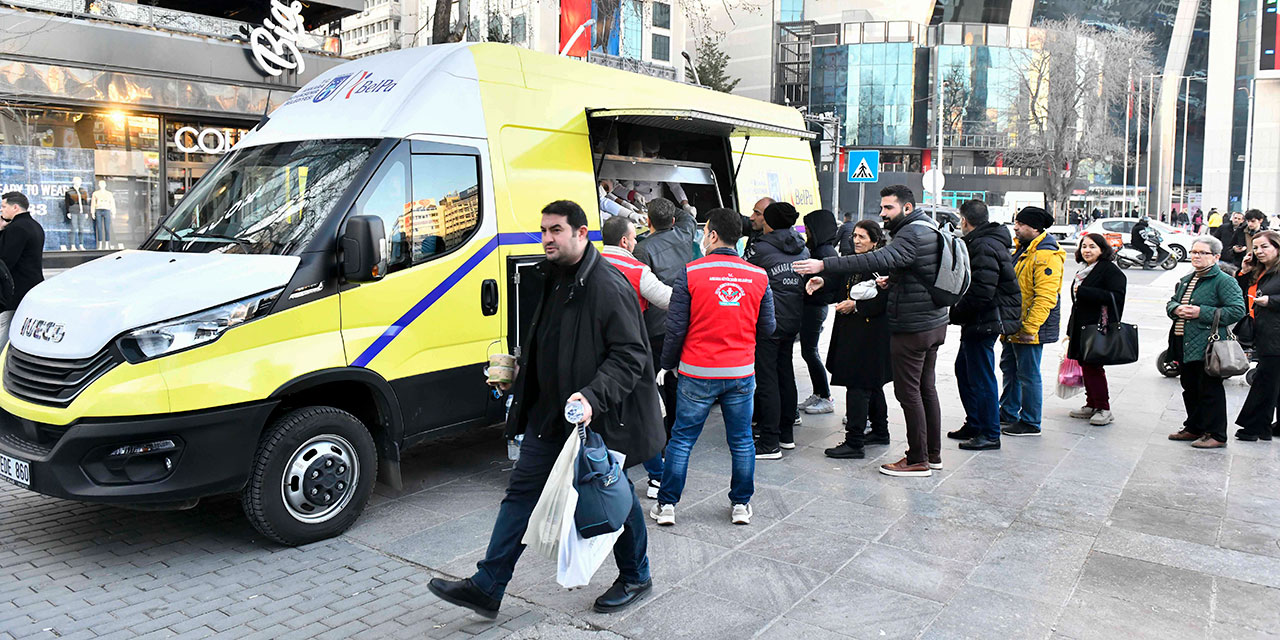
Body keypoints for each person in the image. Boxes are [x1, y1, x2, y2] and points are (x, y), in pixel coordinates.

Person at [427, 200, 665, 618]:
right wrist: (517, 373)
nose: (547, 239)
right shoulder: (553, 278)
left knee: (614, 497)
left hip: (596, 419)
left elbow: (631, 357)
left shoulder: (608, 286)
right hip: (548, 415)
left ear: (581, 233)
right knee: (521, 494)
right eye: (543, 230)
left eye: (556, 230)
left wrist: (592, 397)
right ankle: (488, 585)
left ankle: (636, 575)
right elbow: (553, 345)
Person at [792, 185, 949, 477]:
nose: (882, 213)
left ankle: (918, 459)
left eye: (888, 208)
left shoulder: (912, 233)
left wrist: (824, 264)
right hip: (932, 321)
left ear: (907, 207)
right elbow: (913, 270)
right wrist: (895, 282)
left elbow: (876, 260)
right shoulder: (929, 228)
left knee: (910, 393)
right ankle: (932, 453)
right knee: (925, 389)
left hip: (914, 326)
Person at [652, 208, 775, 526]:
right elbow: (769, 327)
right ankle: (740, 505)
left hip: (696, 372)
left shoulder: (691, 273)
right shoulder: (758, 276)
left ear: (713, 235)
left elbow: (676, 328)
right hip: (740, 372)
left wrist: (667, 365)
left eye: (704, 232)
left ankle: (666, 506)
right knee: (742, 439)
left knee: (681, 439)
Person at [808, 220, 893, 458]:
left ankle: (854, 442)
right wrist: (822, 281)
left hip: (870, 335)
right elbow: (842, 285)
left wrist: (857, 306)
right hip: (853, 332)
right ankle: (880, 431)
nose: (856, 240)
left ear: (875, 241)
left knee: (858, 386)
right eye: (854, 235)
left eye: (862, 237)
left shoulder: (881, 264)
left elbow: (886, 300)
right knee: (872, 385)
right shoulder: (854, 260)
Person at [603, 216, 674, 497]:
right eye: (633, 238)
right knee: (645, 413)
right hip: (631, 354)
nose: (635, 243)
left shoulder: (587, 263)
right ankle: (657, 477)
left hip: (595, 354)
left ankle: (608, 475)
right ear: (624, 241)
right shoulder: (636, 269)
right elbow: (668, 300)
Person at [946, 200, 1021, 450]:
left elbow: (981, 291)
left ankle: (989, 433)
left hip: (985, 319)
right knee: (965, 370)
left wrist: (954, 313)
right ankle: (976, 423)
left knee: (981, 376)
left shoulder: (983, 245)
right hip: (981, 319)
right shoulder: (985, 241)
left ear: (965, 221)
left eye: (960, 220)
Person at [1167, 236, 1246, 449]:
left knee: (1209, 389)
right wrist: (1175, 309)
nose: (1196, 256)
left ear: (1216, 257)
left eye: (1202, 253)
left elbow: (1238, 310)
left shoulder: (1224, 280)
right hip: (1183, 341)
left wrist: (1202, 312)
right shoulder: (1187, 278)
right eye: (1194, 252)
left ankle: (1217, 434)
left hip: (1208, 345)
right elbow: (1172, 302)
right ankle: (1195, 426)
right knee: (1189, 387)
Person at [747, 202, 809, 459]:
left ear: (769, 221)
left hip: (768, 321)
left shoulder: (760, 249)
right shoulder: (803, 247)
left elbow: (743, 273)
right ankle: (786, 435)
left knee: (767, 379)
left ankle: (769, 441)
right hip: (793, 319)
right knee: (785, 374)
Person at [633, 197, 696, 441]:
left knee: (662, 377)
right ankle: (682, 427)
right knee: (680, 376)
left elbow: (642, 287)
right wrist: (674, 207)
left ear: (647, 221)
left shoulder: (643, 248)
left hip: (658, 325)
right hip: (686, 318)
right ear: (672, 220)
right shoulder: (684, 234)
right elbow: (687, 217)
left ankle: (665, 432)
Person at [1001, 206, 1065, 437]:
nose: (1015, 227)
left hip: (1029, 326)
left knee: (1028, 374)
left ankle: (1030, 421)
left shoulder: (1046, 255)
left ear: (1035, 227)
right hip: (1013, 323)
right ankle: (1008, 412)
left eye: (1020, 223)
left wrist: (1030, 327)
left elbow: (1046, 296)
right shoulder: (1024, 250)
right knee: (1009, 368)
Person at [1065, 233, 1126, 426]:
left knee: (1094, 366)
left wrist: (1084, 291)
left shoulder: (1109, 270)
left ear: (1102, 249)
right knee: (1086, 364)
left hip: (1098, 326)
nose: (1087, 250)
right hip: (1082, 325)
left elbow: (1116, 296)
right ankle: (1091, 404)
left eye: (1092, 247)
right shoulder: (1085, 269)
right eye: (1084, 246)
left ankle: (1104, 408)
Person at [1234, 230, 1280, 441]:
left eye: (1265, 247)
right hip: (1264, 333)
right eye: (1256, 247)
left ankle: (1255, 427)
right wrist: (1243, 273)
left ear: (1277, 248)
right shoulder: (1262, 271)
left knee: (1264, 381)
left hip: (1275, 337)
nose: (1259, 251)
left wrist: (1270, 301)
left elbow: (1266, 298)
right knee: (1272, 380)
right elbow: (1244, 295)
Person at [797, 209, 840, 416]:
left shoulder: (825, 253)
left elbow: (832, 283)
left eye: (809, 229)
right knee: (808, 351)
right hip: (811, 307)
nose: (807, 232)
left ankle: (825, 396)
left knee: (810, 351)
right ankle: (819, 393)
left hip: (814, 308)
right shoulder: (822, 249)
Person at [0, 191, 45, 345]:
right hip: (31, 287)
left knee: (4, 333)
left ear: (15, 208)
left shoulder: (17, 228)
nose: (2, 210)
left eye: (4, 206)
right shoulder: (35, 225)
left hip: (15, 291)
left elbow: (5, 260)